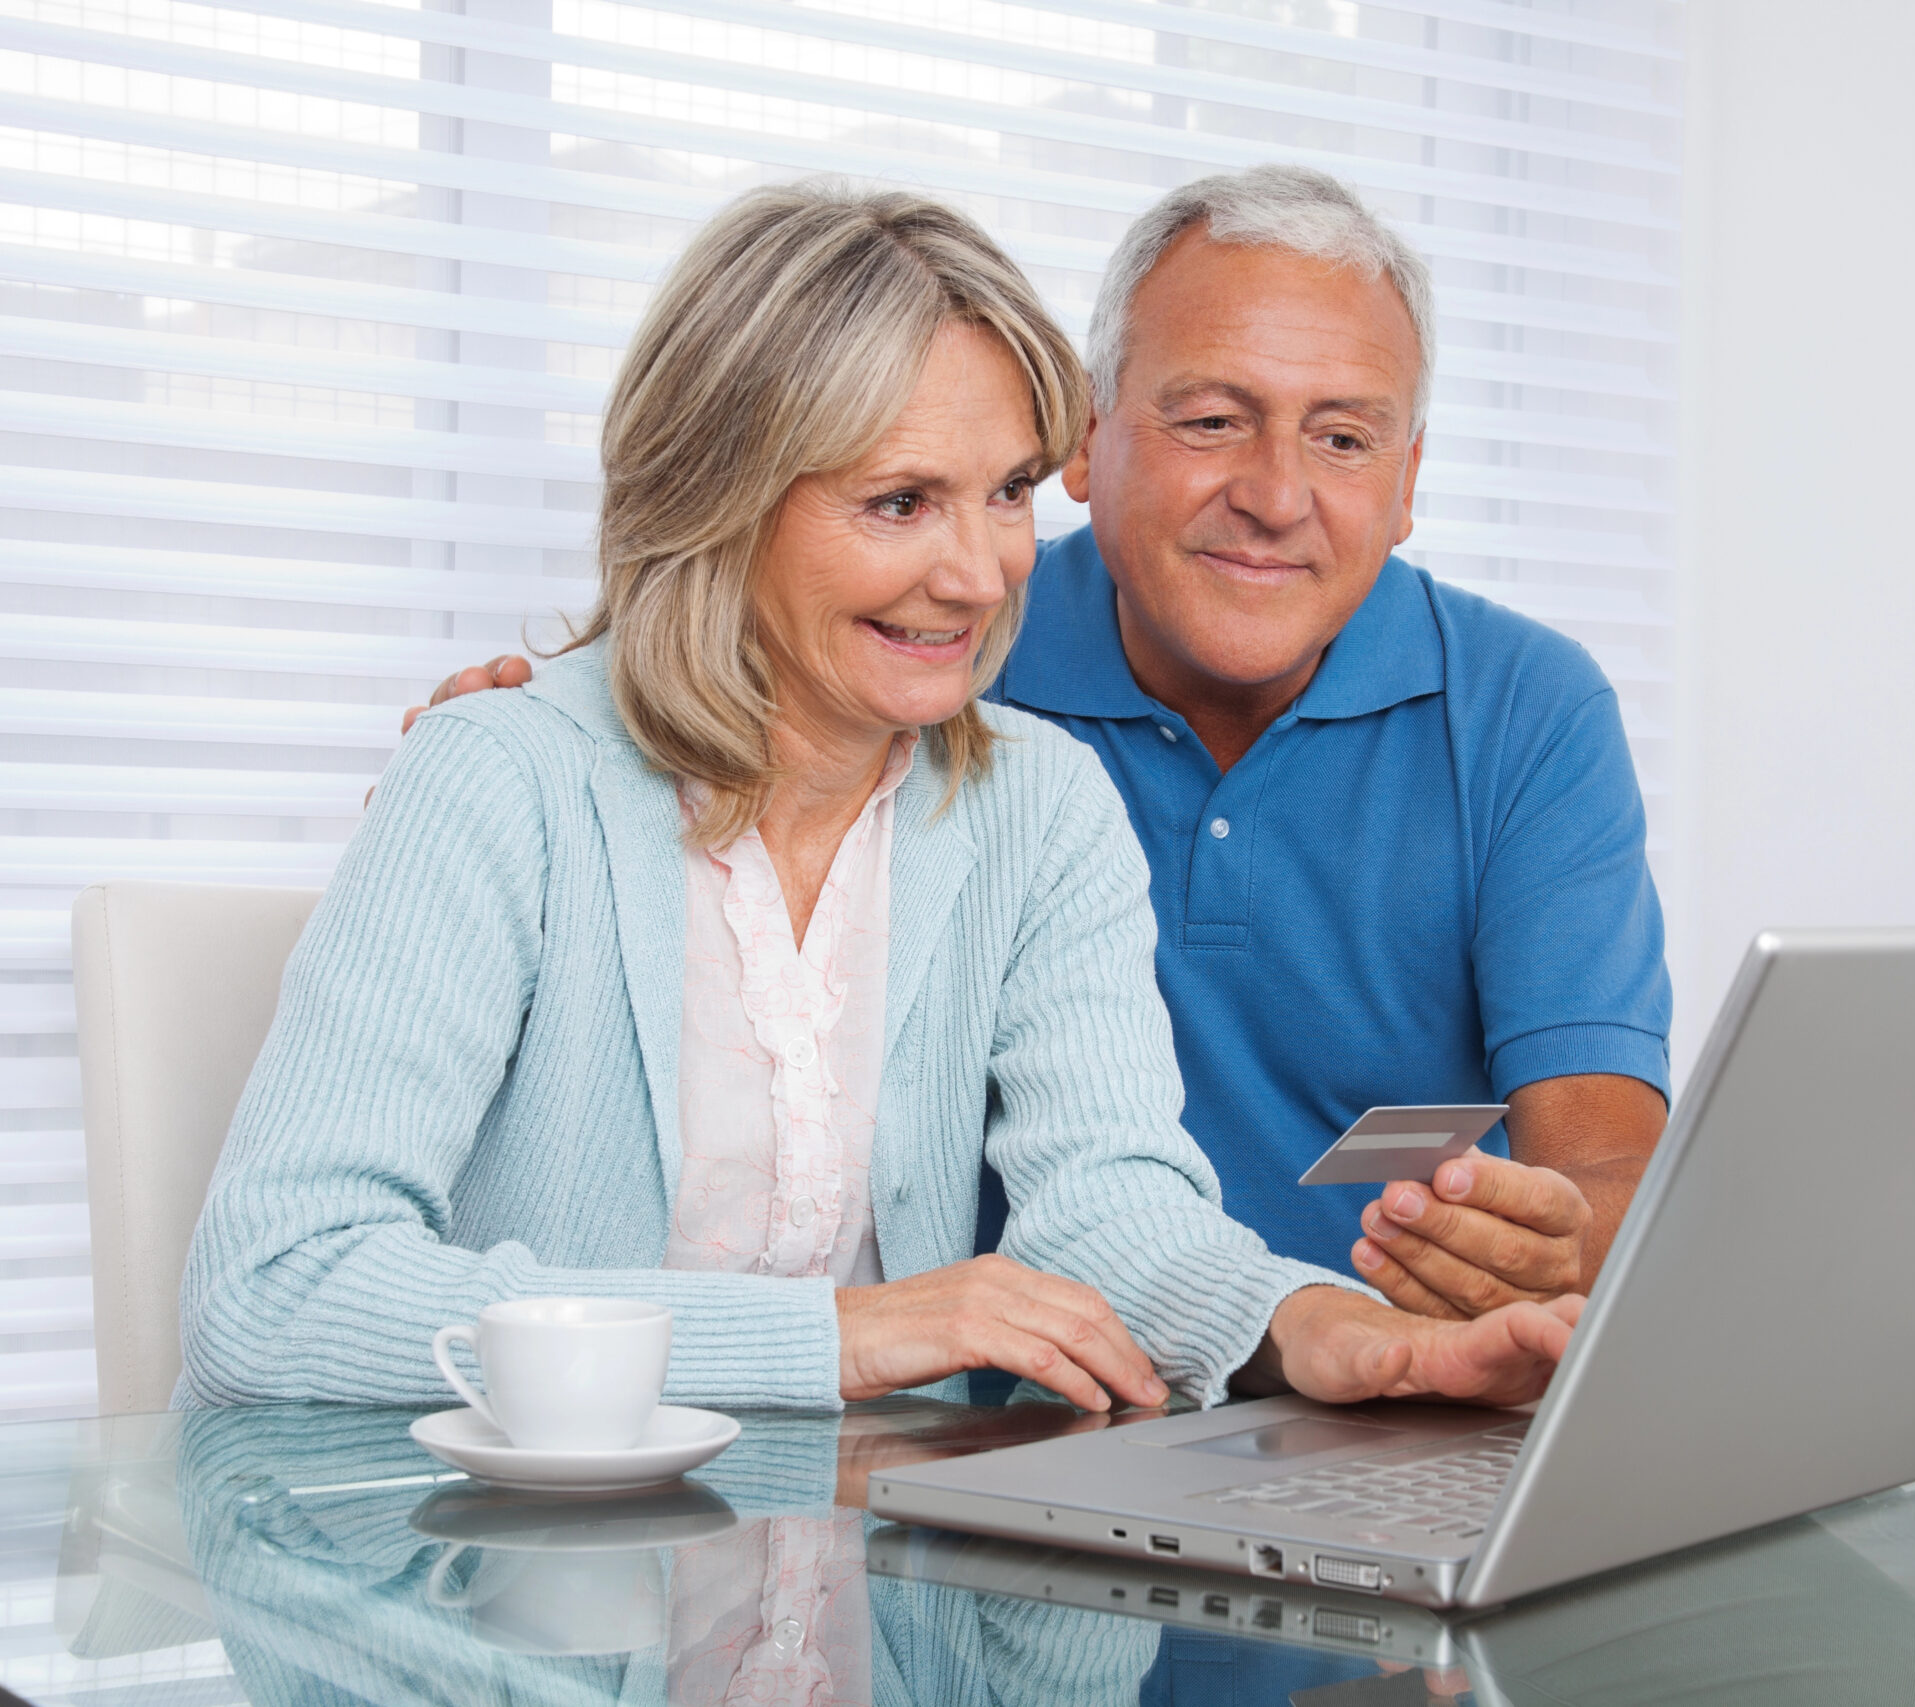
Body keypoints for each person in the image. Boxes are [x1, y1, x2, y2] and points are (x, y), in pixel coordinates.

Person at [179, 182, 1580, 1420]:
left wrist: (1326, 1332)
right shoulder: (502, 777)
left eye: (1007, 494)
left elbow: (1109, 1206)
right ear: (718, 498)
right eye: (901, 501)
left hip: (849, 1584)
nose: (978, 575)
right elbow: (280, 1283)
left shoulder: (1039, 808)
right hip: (495, 1605)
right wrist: (835, 1338)